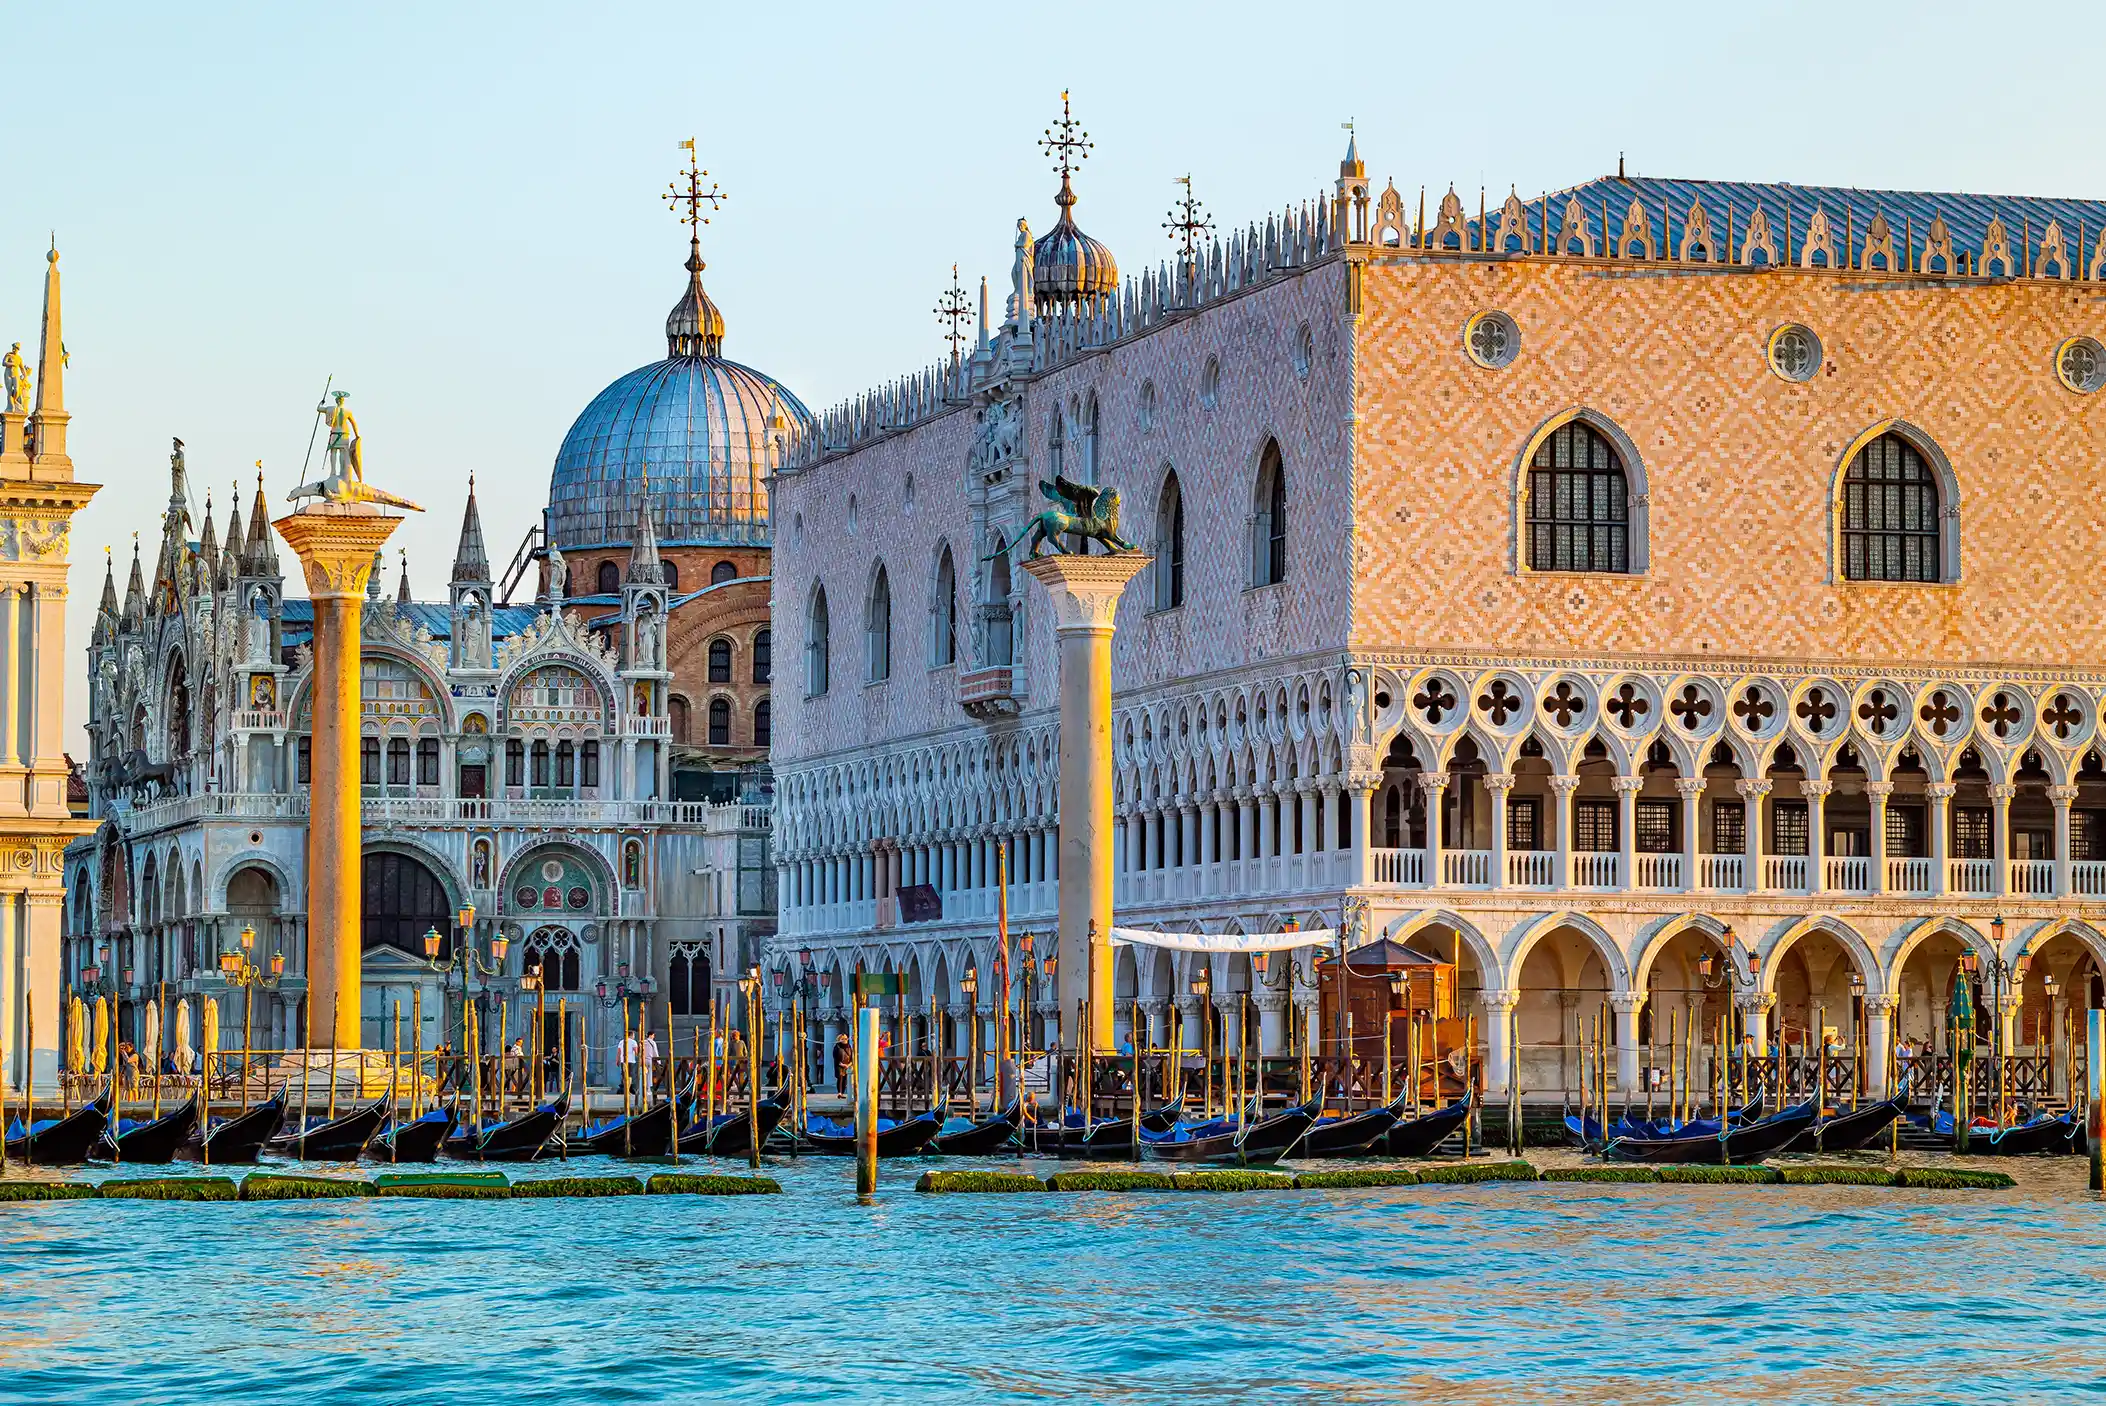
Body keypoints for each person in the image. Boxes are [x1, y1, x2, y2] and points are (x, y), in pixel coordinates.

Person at [641, 1029, 660, 1096]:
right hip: (649, 1060)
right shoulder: (653, 1042)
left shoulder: (643, 1042)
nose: (654, 1036)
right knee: (649, 1075)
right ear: (651, 1035)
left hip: (643, 1060)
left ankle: (643, 1089)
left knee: (643, 1075)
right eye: (653, 1035)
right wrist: (658, 1061)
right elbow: (655, 1052)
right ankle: (648, 1090)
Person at [834, 1029, 851, 1096]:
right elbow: (836, 1058)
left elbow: (851, 1056)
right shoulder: (837, 1047)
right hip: (839, 1065)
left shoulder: (849, 1047)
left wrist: (849, 1064)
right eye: (843, 1038)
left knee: (845, 1080)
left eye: (846, 1038)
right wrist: (842, 1064)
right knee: (840, 1078)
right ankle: (840, 1093)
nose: (845, 1040)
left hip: (847, 1065)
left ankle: (842, 1092)